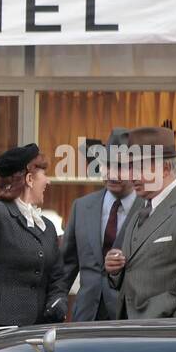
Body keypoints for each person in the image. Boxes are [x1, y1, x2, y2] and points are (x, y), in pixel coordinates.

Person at [104, 126, 176, 319]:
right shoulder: (140, 210)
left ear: (166, 168)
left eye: (140, 168)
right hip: (132, 331)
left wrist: (173, 330)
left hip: (166, 336)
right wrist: (115, 271)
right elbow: (136, 272)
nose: (131, 176)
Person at [0, 143, 69, 332]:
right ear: (30, 179)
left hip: (37, 331)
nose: (48, 181)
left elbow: (58, 278)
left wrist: (59, 301)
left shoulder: (47, 226)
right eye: (43, 174)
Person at [60, 127, 141, 322]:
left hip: (130, 319)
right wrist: (56, 300)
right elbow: (67, 264)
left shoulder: (149, 208)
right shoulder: (82, 206)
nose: (112, 174)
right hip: (86, 317)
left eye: (120, 166)